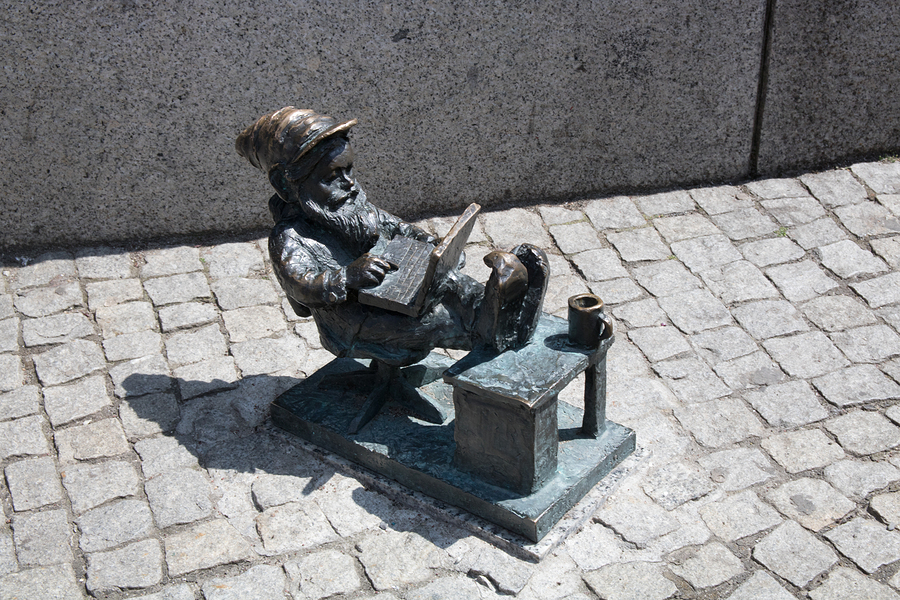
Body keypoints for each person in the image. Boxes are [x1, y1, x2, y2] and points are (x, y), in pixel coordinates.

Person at [236, 107, 548, 369]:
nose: (349, 183)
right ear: (286, 185)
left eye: (349, 170)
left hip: (393, 290)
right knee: (434, 319)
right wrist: (347, 277)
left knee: (453, 283)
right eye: (331, 177)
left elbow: (400, 228)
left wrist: (435, 246)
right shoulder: (289, 238)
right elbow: (301, 285)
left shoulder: (358, 209)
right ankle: (493, 329)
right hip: (351, 320)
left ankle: (503, 310)